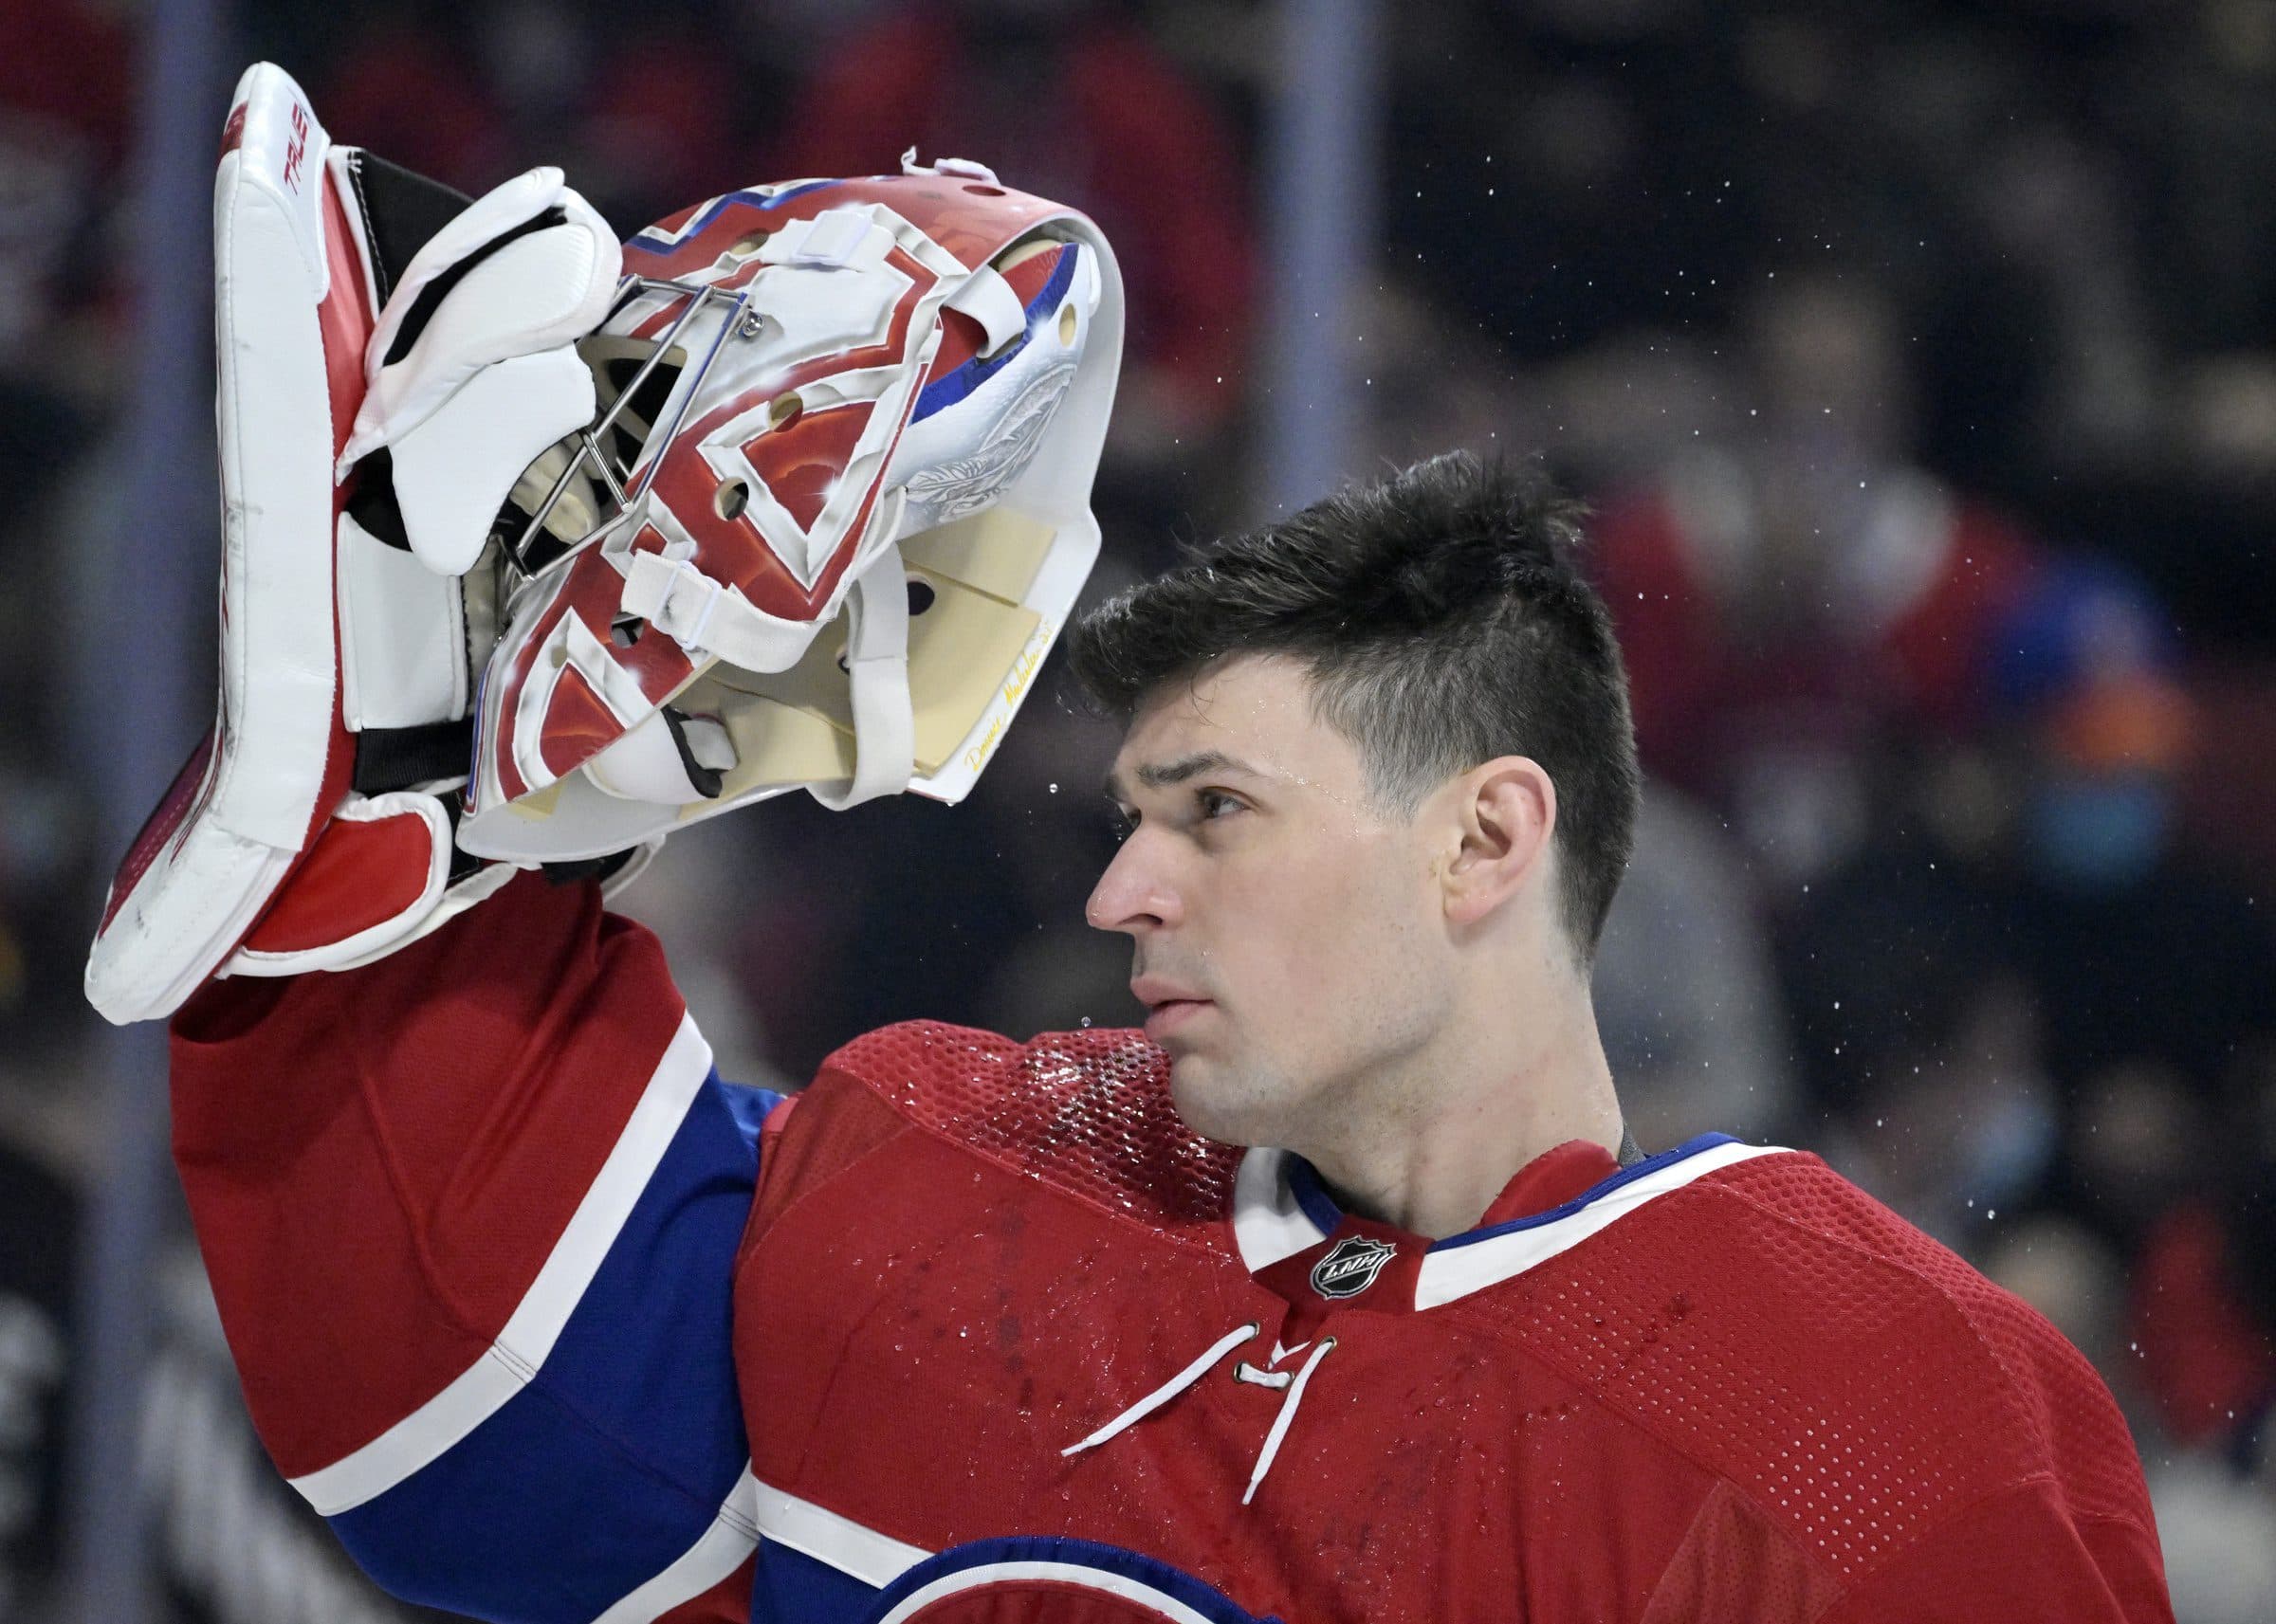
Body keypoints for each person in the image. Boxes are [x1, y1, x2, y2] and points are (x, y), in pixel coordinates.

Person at [113, 71, 2175, 1624]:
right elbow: (480, 1437)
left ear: (1483, 839)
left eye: (1218, 814)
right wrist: (448, 790)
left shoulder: (1884, 1412)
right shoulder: (970, 1163)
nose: (1120, 891)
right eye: (1130, 815)